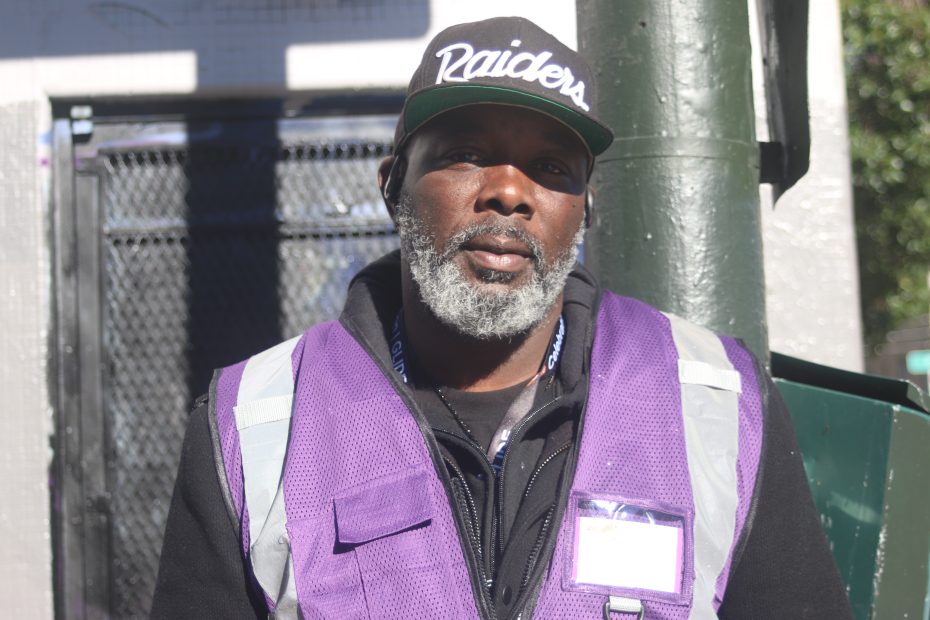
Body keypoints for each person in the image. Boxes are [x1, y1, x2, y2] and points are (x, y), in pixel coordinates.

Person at [152, 16, 853, 620]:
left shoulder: (717, 402)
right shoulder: (255, 421)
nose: (510, 193)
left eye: (551, 167)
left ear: (585, 207)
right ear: (392, 186)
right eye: (467, 155)